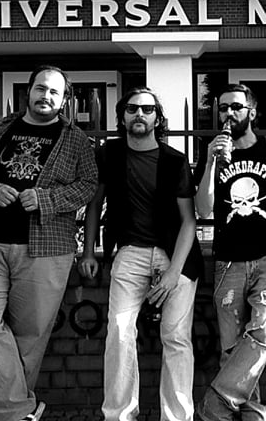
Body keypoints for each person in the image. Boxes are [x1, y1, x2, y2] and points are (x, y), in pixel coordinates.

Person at [0, 65, 98, 421]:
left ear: (64, 100)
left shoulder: (76, 140)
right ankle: (20, 410)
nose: (46, 96)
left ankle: (12, 414)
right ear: (29, 91)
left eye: (54, 92)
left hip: (47, 248)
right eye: (40, 88)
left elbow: (88, 186)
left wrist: (47, 199)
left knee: (30, 336)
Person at [79, 87, 203, 421]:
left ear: (157, 119)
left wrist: (174, 272)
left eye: (148, 110)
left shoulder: (174, 160)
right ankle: (119, 415)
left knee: (176, 336)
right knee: (119, 331)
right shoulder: (109, 154)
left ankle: (177, 417)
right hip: (130, 252)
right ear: (122, 116)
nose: (139, 114)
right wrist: (89, 252)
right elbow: (95, 205)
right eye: (132, 108)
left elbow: (189, 221)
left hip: (175, 255)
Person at [194, 83, 266, 421]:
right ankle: (252, 412)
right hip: (228, 261)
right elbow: (204, 208)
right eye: (223, 108)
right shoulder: (212, 153)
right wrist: (211, 163)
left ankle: (215, 405)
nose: (229, 113)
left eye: (236, 107)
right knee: (232, 348)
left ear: (251, 112)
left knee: (262, 332)